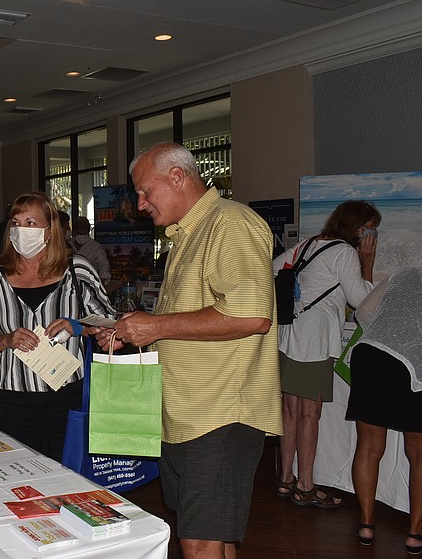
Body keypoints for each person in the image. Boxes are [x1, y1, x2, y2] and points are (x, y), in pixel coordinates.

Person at [93, 142, 282, 559]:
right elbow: (192, 320)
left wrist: (156, 325)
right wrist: (133, 331)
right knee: (216, 537)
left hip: (219, 414)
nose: (140, 204)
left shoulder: (229, 224)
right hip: (187, 413)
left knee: (198, 542)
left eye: (145, 191)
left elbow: (252, 316)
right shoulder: (186, 235)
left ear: (178, 177)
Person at [0, 191, 115, 461]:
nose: (21, 230)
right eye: (15, 223)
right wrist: (5, 340)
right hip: (16, 395)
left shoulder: (77, 271)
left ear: (50, 231)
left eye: (31, 223)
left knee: (68, 470)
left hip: (67, 394)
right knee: (23, 470)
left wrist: (78, 327)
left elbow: (110, 325)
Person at [272, 200, 379, 509]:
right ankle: (305, 486)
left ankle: (286, 479)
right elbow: (362, 301)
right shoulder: (345, 252)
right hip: (315, 341)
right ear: (359, 228)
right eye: (372, 228)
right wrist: (367, 262)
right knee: (309, 413)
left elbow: (271, 268)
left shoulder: (308, 243)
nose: (374, 234)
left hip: (290, 334)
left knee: (290, 410)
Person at [344, 267, 422, 552]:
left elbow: (362, 313)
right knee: (419, 455)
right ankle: (415, 533)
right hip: (416, 364)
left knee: (368, 447)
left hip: (373, 355)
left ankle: (366, 525)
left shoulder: (404, 274)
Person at [68, 216, 113, 288]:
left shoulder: (95, 246)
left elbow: (104, 263)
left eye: (84, 234)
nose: (82, 236)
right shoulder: (68, 244)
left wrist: (102, 280)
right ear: (75, 231)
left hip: (89, 284)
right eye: (80, 233)